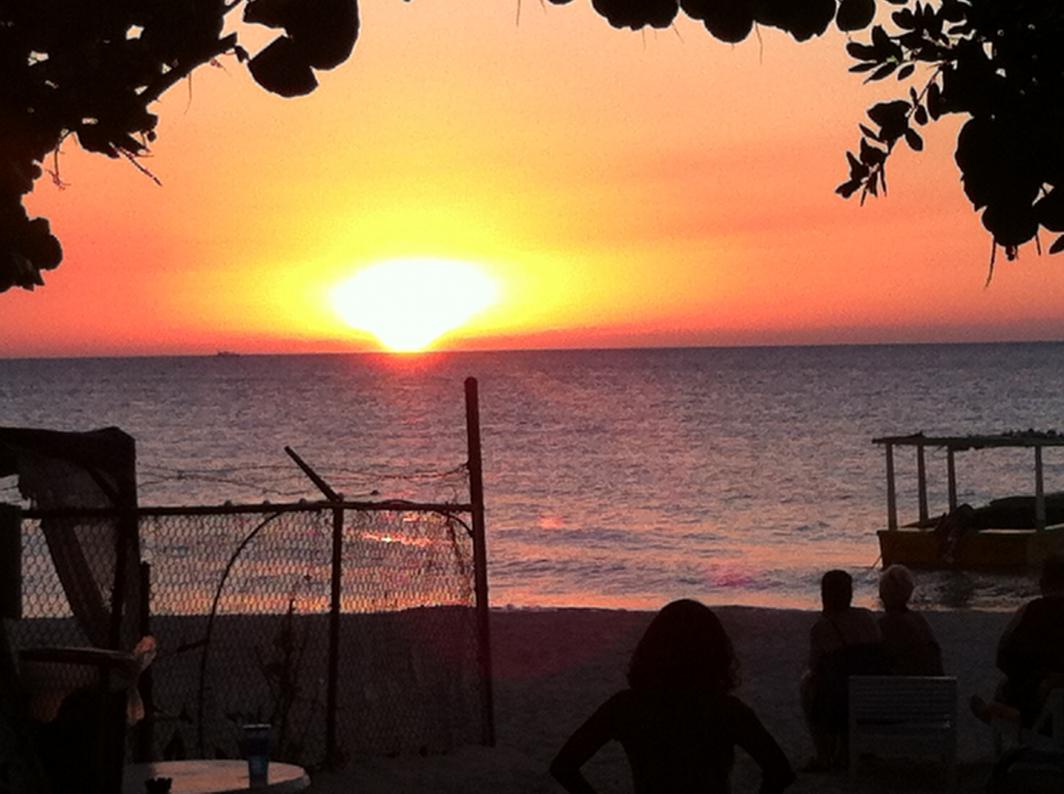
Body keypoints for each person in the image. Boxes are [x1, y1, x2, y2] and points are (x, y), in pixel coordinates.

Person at [549, 599, 795, 794]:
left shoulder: (626, 706)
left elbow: (563, 767)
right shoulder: (727, 710)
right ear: (715, 653)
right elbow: (780, 772)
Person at [799, 569, 885, 771]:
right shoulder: (867, 618)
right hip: (873, 701)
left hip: (837, 706)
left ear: (824, 595)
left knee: (808, 683)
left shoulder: (822, 628)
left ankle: (824, 755)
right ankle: (848, 750)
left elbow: (814, 666)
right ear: (850, 593)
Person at [985, 553, 1064, 727]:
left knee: (1015, 686)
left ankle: (1006, 714)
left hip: (1039, 696)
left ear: (1043, 583)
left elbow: (1004, 656)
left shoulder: (1030, 611)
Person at [877, 564, 944, 676]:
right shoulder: (920, 621)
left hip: (899, 685)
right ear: (909, 593)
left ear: (882, 594)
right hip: (931, 684)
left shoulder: (884, 625)